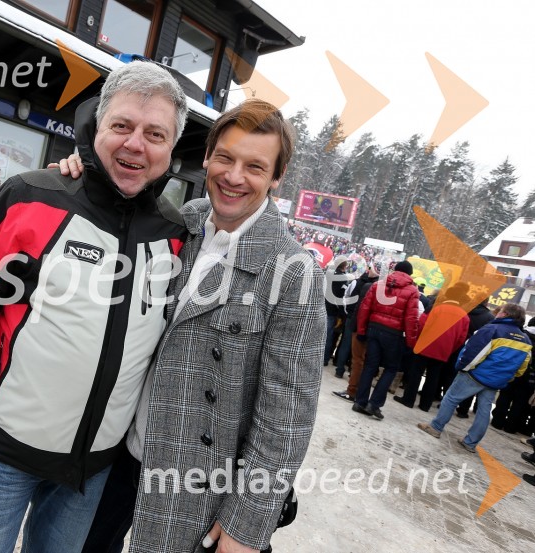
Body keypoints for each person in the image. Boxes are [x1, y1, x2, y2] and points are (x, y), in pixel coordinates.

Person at [0, 60, 188, 553]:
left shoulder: (178, 235)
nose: (136, 144)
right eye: (122, 126)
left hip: (91, 472)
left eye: (155, 133)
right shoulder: (30, 197)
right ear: (97, 127)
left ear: (171, 148)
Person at [63, 98, 325, 553]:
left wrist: (248, 525)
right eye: (225, 157)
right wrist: (79, 175)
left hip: (196, 485)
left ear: (277, 178)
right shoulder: (177, 223)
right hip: (119, 455)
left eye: (255, 167)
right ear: (207, 157)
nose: (234, 176)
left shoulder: (292, 270)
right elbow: (109, 200)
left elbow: (286, 419)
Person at [417, 303, 532, 452]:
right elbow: (523, 365)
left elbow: (474, 352)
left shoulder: (492, 329)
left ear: (504, 314)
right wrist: (507, 377)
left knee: (451, 398)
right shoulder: (525, 340)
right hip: (497, 381)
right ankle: (470, 442)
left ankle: (435, 427)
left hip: (475, 374)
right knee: (484, 410)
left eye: (500, 311)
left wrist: (462, 367)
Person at [352, 260, 419, 419]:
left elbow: (364, 309)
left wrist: (362, 330)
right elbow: (411, 319)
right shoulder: (412, 291)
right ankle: (374, 404)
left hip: (374, 329)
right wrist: (411, 342)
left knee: (370, 366)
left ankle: (360, 401)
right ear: (409, 274)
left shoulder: (379, 285)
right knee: (390, 368)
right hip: (393, 333)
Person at [394, 285, 470, 410]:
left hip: (425, 346)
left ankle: (408, 399)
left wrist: (417, 340)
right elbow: (461, 339)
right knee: (433, 376)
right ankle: (425, 404)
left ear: (447, 296)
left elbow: (421, 324)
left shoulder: (435, 308)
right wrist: (450, 349)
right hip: (444, 350)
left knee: (416, 373)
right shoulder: (464, 316)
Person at [332, 263, 380, 401]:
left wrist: (352, 319)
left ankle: (352, 389)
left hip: (359, 325)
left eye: (371, 268)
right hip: (371, 328)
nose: (368, 270)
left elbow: (357, 306)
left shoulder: (368, 286)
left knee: (357, 359)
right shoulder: (377, 287)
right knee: (362, 359)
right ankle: (358, 390)